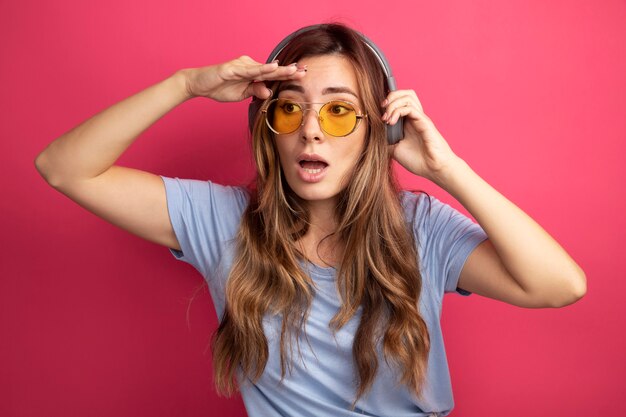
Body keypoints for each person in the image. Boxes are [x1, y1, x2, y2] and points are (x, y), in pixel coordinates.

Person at [35, 23, 586, 417]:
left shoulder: (419, 227)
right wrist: (185, 85)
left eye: (340, 110)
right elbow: (63, 169)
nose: (312, 130)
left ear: (380, 131)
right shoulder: (222, 220)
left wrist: (448, 169)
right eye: (291, 107)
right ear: (268, 125)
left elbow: (560, 285)